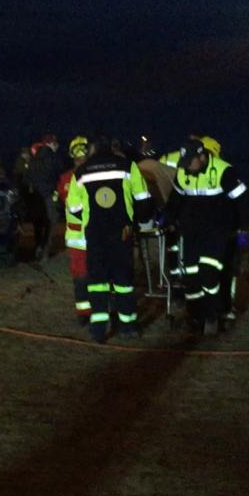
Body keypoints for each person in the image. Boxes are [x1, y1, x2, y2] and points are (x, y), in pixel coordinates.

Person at [66, 136, 154, 343]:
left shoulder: (80, 172)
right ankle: (128, 327)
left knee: (97, 282)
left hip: (95, 235)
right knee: (124, 282)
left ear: (93, 149)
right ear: (113, 149)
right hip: (121, 233)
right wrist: (137, 221)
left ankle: (98, 330)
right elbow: (143, 199)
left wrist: (91, 217)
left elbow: (74, 208)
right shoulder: (128, 166)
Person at [164, 139, 249, 336]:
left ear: (202, 157)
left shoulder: (224, 172)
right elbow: (176, 199)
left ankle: (212, 315)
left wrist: (243, 230)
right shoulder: (183, 172)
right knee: (191, 276)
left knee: (209, 273)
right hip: (191, 232)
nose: (186, 168)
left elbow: (243, 201)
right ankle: (195, 315)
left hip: (217, 231)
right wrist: (166, 217)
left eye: (190, 163)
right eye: (183, 163)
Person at [56, 136, 92, 325]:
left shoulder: (94, 175)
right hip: (78, 236)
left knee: (97, 275)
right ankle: (84, 312)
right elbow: (65, 201)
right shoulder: (66, 179)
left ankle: (99, 309)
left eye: (83, 158)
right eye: (77, 158)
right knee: (80, 276)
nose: (80, 161)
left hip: (94, 235)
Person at [26, 133, 63, 260]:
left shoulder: (33, 159)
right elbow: (60, 176)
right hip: (49, 196)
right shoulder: (53, 158)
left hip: (36, 197)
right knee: (51, 222)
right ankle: (45, 252)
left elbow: (28, 178)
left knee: (38, 223)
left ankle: (38, 247)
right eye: (55, 143)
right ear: (51, 143)